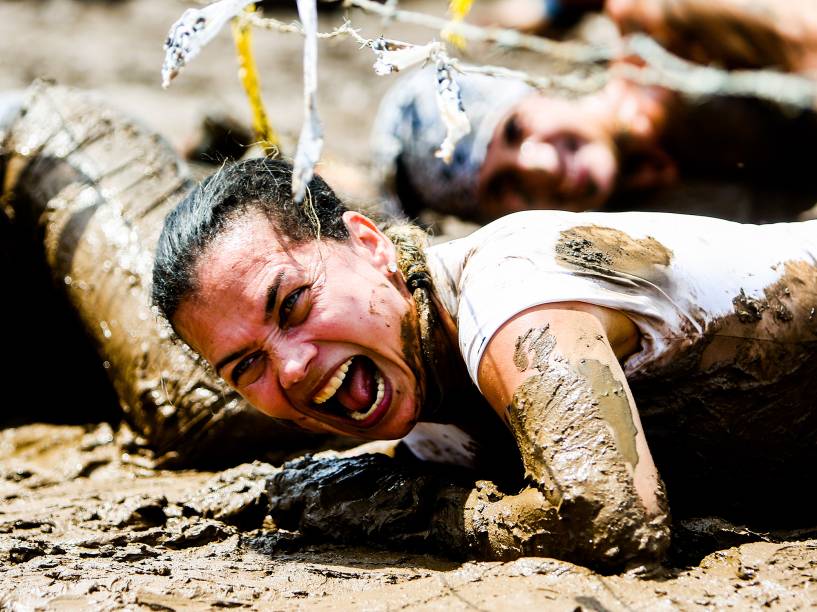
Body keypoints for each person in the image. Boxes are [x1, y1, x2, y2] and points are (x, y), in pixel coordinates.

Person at [152, 156, 817, 568]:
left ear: (369, 244)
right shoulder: (417, 405)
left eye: (292, 304)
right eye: (245, 367)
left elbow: (610, 520)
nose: (291, 370)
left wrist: (419, 516)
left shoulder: (510, 290)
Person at [372, 1, 817, 224]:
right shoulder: (640, 236)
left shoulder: (669, 31)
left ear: (540, 90)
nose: (541, 165)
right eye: (503, 187)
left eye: (515, 129)